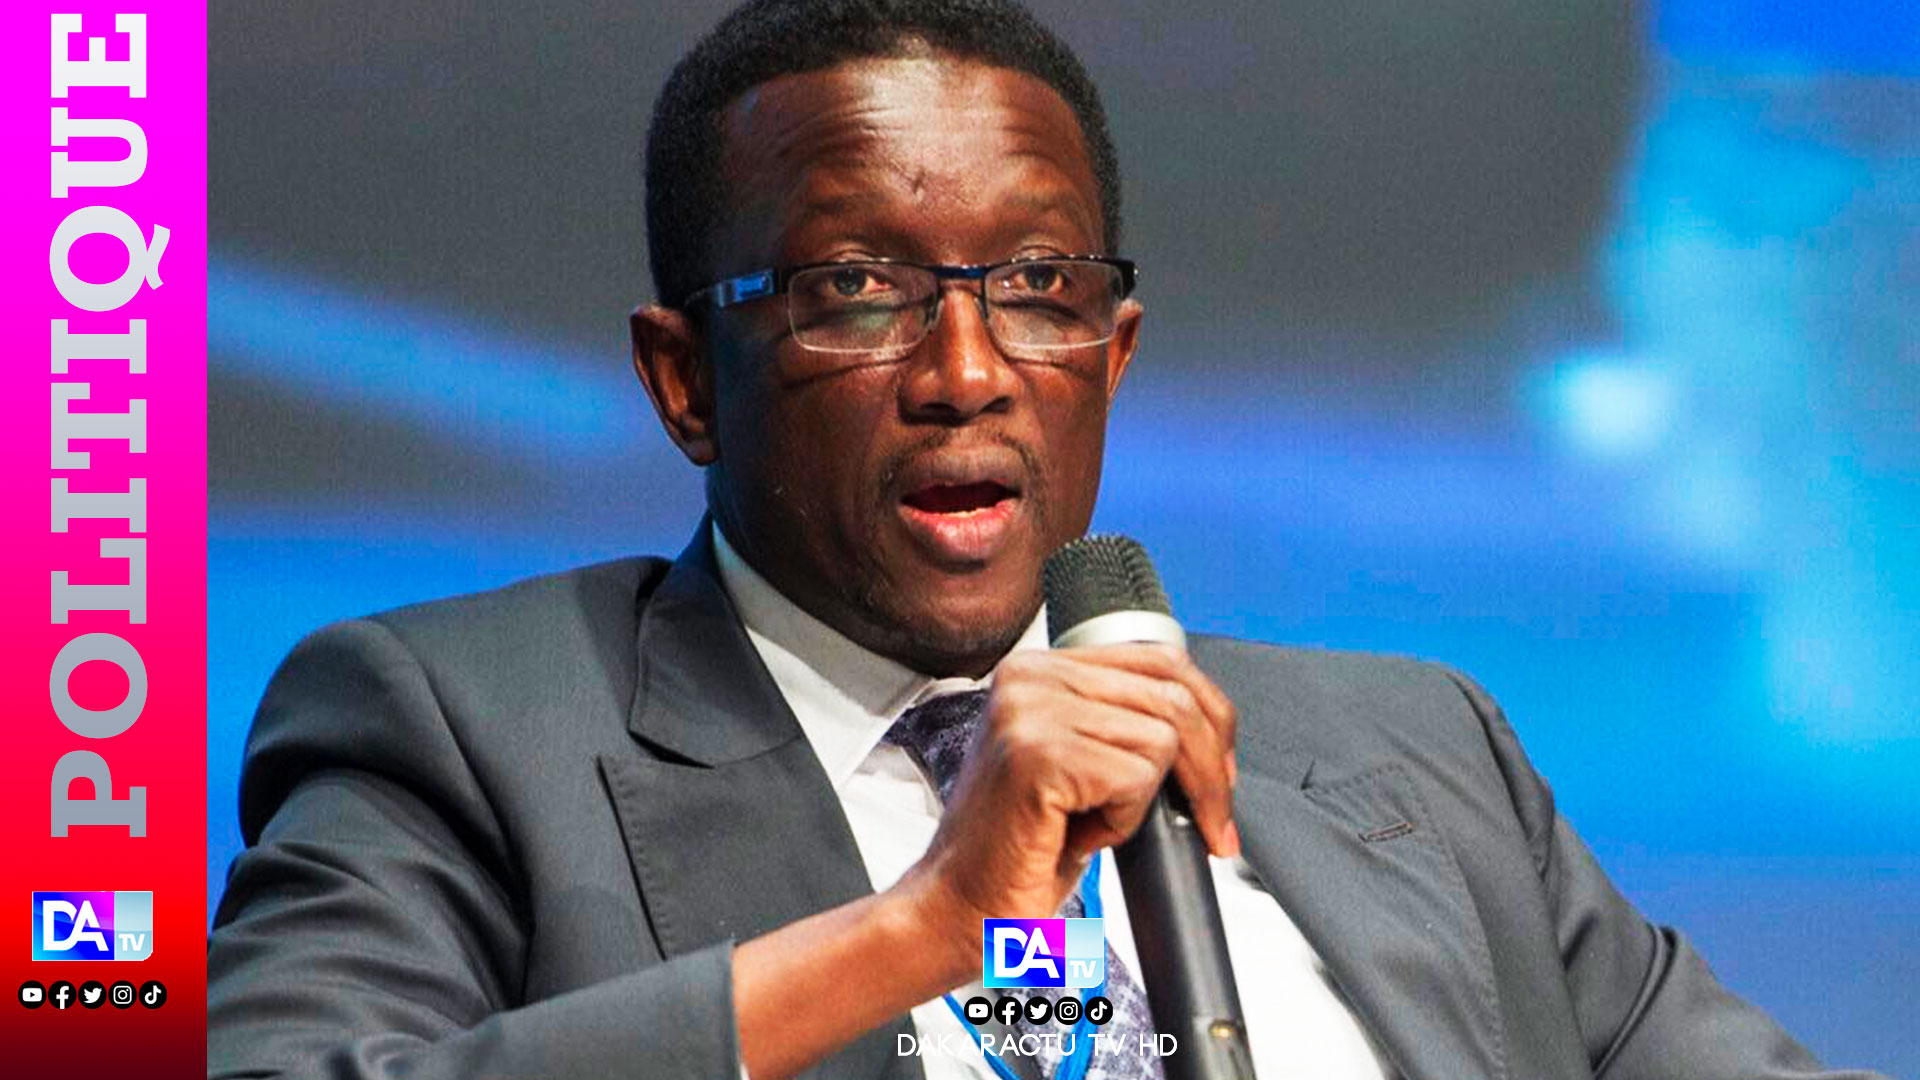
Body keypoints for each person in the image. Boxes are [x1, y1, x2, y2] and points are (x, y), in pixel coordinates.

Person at [206, 2, 1887, 1079]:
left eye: (1037, 287)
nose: (967, 372)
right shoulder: (456, 726)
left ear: (1115, 353)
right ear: (685, 381)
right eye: (854, 289)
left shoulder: (1420, 748)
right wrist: (926, 929)